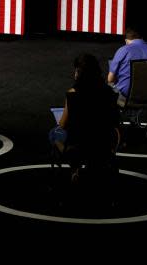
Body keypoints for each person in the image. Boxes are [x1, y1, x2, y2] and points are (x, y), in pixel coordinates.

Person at [49, 54, 120, 182]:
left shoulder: (73, 93)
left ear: (78, 72)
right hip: (103, 144)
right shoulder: (109, 93)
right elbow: (114, 122)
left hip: (78, 145)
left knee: (54, 132)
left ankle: (75, 169)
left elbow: (62, 124)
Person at [108, 27, 147, 98]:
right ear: (142, 39)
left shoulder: (123, 50)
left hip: (126, 95)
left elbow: (110, 79)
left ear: (126, 41)